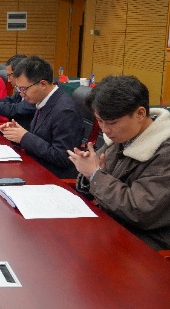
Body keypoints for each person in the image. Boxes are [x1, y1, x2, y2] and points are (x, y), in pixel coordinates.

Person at [67, 75, 170, 251]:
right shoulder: (122, 137)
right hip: (114, 223)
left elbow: (139, 211)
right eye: (99, 121)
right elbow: (98, 179)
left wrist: (94, 175)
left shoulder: (164, 152)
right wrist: (88, 173)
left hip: (148, 241)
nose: (105, 130)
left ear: (140, 114)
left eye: (112, 123)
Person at [0, 56, 82, 179]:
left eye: (24, 89)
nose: (21, 94)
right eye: (18, 89)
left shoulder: (65, 111)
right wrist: (15, 134)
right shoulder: (43, 101)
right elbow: (40, 138)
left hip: (53, 177)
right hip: (35, 167)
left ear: (43, 84)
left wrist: (25, 137)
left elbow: (63, 157)